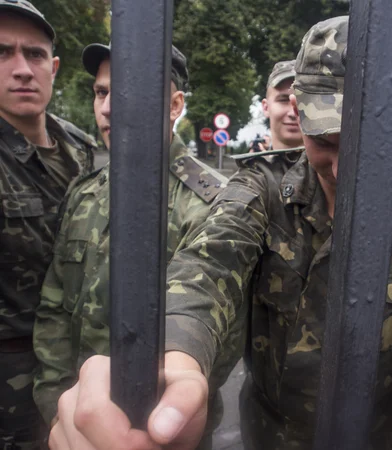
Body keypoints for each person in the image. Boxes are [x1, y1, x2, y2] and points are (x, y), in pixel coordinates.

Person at [47, 17, 392, 450]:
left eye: (362, 137)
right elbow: (207, 268)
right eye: (325, 139)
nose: (341, 164)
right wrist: (174, 354)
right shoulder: (263, 187)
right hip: (266, 433)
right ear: (298, 116)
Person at [32, 42, 243, 450]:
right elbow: (54, 309)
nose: (108, 107)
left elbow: (221, 341)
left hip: (164, 432)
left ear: (175, 104)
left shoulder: (214, 204)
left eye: (128, 91)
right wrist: (58, 407)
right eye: (101, 92)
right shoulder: (86, 192)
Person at [0, 1, 94, 447]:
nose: (22, 69)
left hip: (81, 368)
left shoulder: (85, 148)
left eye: (34, 54)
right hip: (9, 385)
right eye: (2, 53)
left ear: (53, 67)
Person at [253, 60, 303, 152]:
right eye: (283, 100)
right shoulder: (252, 166)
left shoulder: (335, 166)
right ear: (266, 107)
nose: (292, 113)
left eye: (301, 101)